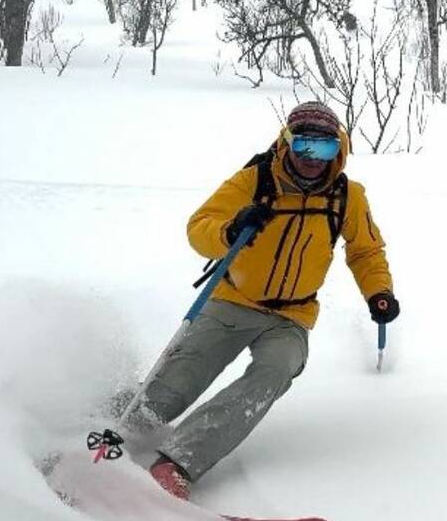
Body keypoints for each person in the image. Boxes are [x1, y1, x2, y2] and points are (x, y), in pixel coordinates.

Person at [136, 101, 400, 499]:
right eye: (304, 146)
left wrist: (378, 291)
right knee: (180, 379)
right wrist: (231, 228)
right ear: (287, 142)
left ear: (339, 149)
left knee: (276, 371)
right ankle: (115, 430)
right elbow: (198, 227)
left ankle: (178, 461)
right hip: (234, 300)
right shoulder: (254, 182)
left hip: (291, 315)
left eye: (325, 149)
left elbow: (365, 250)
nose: (313, 159)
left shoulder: (348, 196)